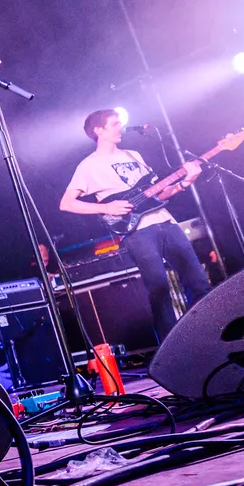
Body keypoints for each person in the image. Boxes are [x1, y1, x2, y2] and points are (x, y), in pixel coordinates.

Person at [59, 109, 210, 339]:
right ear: (98, 130)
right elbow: (66, 203)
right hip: (137, 232)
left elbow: (158, 194)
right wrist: (106, 207)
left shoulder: (134, 155)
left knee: (198, 280)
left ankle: (208, 334)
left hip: (166, 222)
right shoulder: (88, 166)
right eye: (114, 124)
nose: (120, 127)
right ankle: (171, 347)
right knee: (159, 289)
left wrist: (185, 182)